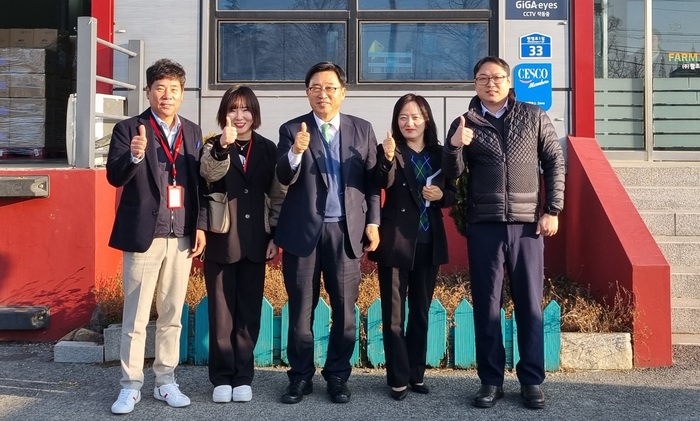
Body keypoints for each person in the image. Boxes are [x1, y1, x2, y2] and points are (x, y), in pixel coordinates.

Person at [442, 56, 565, 410]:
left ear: (509, 81)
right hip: (485, 226)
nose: (490, 83)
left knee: (529, 304)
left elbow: (554, 161)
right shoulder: (465, 122)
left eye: (497, 77)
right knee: (487, 306)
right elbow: (452, 173)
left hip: (527, 226)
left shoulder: (533, 115)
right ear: (475, 83)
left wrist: (552, 209)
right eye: (483, 78)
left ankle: (531, 380)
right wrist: (455, 145)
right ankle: (491, 381)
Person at [275, 61, 381, 404]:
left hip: (346, 233)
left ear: (343, 92)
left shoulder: (362, 129)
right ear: (307, 93)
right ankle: (300, 377)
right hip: (303, 233)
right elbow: (283, 176)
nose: (323, 94)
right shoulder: (292, 129)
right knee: (300, 312)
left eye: (330, 87)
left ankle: (337, 375)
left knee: (345, 312)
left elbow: (372, 183)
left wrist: (373, 222)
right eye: (316, 88)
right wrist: (295, 151)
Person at [106, 58, 206, 415]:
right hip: (143, 236)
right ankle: (130, 386)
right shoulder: (128, 129)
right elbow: (114, 176)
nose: (167, 95)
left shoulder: (192, 131)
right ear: (148, 91)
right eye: (160, 88)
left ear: (182, 93)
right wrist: (134, 156)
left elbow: (199, 184)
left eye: (174, 89)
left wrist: (200, 225)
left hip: (180, 236)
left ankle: (166, 381)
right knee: (135, 318)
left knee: (172, 315)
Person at [199, 86, 286, 404]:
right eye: (233, 109)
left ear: (254, 114)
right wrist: (223, 146)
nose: (239, 116)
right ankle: (222, 377)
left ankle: (243, 377)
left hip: (256, 240)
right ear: (224, 114)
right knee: (221, 313)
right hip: (221, 240)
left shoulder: (268, 148)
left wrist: (274, 235)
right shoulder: (212, 146)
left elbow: (277, 194)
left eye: (245, 109)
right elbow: (208, 173)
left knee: (249, 312)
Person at [368, 94, 456, 401]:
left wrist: (441, 195)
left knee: (420, 311)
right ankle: (398, 378)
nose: (410, 123)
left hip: (429, 240)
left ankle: (416, 373)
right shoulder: (389, 150)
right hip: (395, 241)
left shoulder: (440, 154)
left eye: (416, 117)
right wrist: (387, 157)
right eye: (403, 117)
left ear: (426, 119)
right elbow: (380, 181)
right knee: (393, 315)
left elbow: (452, 193)